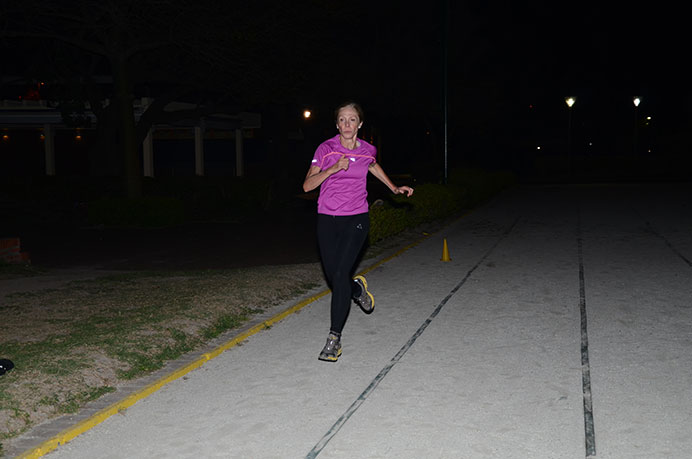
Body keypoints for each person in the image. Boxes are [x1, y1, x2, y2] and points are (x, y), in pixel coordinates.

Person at [303, 101, 414, 362]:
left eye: (352, 120)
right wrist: (332, 169)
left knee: (340, 273)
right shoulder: (326, 149)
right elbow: (308, 185)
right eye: (342, 120)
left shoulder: (368, 149)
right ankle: (356, 289)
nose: (347, 125)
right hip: (328, 218)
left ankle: (334, 339)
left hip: (357, 217)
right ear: (337, 124)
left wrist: (393, 187)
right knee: (336, 278)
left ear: (360, 124)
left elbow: (372, 165)